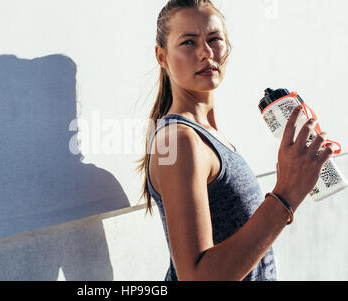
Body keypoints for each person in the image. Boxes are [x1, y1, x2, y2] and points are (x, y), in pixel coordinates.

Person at [136, 0, 336, 281]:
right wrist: (285, 195)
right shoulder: (181, 140)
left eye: (214, 39)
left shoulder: (207, 134)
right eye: (189, 42)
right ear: (161, 56)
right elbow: (197, 278)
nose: (207, 53)